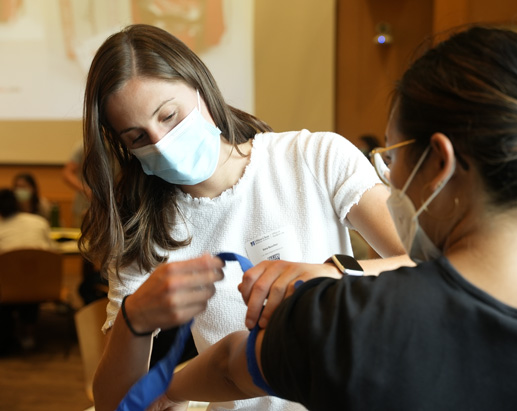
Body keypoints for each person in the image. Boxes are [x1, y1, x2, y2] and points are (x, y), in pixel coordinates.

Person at [152, 27, 517, 410]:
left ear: (439, 163)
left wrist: (165, 390)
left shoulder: (348, 317)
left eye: (392, 158)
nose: (389, 181)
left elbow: (229, 368)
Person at [81, 24, 408, 411]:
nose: (162, 144)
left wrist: (335, 274)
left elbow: (433, 269)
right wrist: (132, 321)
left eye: (169, 115)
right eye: (137, 138)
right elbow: (114, 403)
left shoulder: (314, 157)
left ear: (200, 87)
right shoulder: (142, 231)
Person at [0, 189, 54, 352]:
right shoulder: (39, 222)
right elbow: (52, 252)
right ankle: (28, 336)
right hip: (40, 285)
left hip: (6, 289)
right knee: (29, 276)